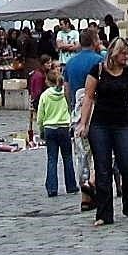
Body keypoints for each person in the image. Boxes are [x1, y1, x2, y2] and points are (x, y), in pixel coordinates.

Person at [77, 38, 128, 226]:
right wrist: (83, 122)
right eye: (123, 53)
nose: (126, 57)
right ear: (114, 53)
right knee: (102, 169)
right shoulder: (97, 70)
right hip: (100, 124)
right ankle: (104, 213)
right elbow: (88, 97)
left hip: (123, 123)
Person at [64, 28, 105, 201]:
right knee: (101, 152)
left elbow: (66, 89)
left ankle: (84, 193)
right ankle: (95, 186)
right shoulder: (99, 60)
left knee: (82, 154)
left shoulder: (71, 63)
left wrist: (71, 105)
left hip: (78, 112)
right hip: (98, 110)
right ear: (95, 40)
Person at [35, 66, 76, 197]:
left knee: (52, 159)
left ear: (47, 81)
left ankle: (52, 188)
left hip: (50, 128)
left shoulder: (45, 95)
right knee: (68, 157)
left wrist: (41, 130)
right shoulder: (65, 93)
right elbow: (70, 108)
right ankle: (71, 185)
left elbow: (40, 116)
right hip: (64, 127)